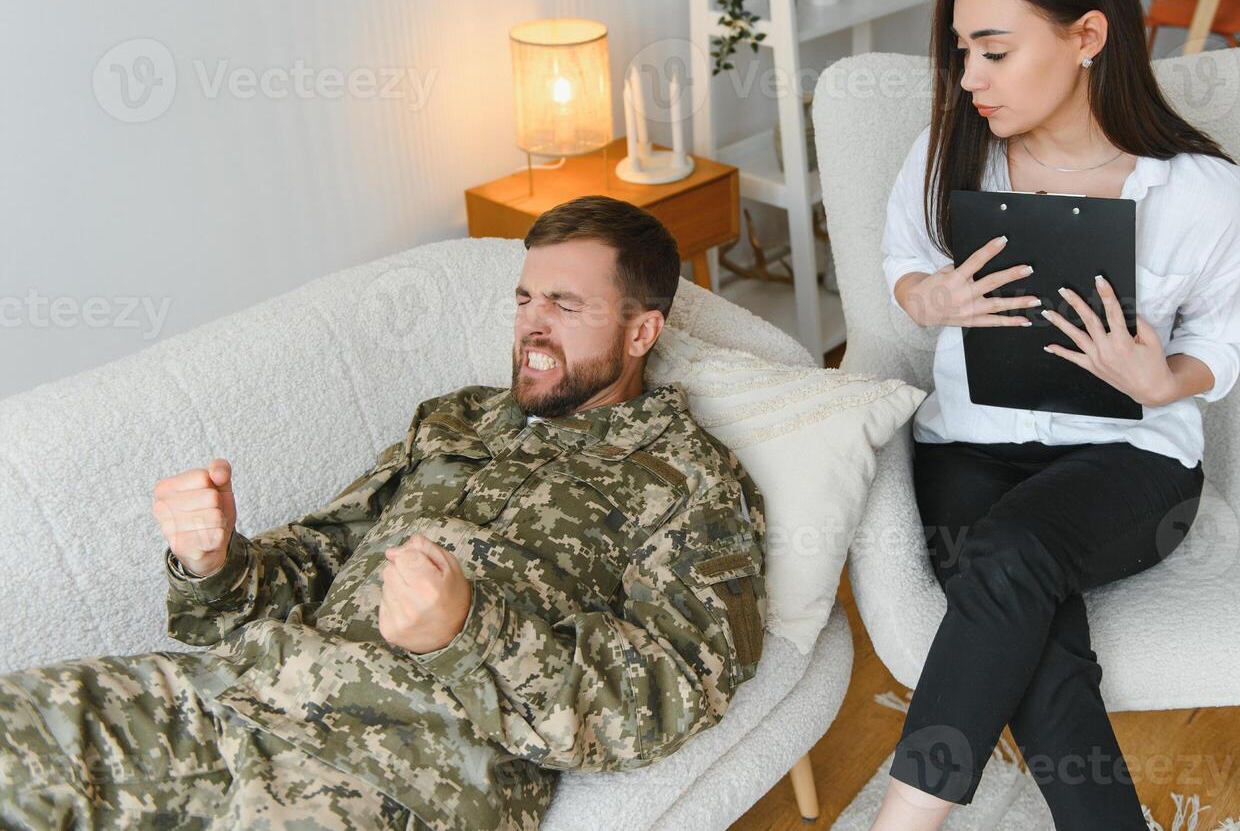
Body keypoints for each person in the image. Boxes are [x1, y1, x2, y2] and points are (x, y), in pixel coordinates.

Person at [0, 195, 768, 830]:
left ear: (642, 331)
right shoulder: (458, 418)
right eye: (525, 299)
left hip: (397, 774)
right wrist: (217, 563)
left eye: (565, 305)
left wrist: (469, 632)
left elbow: (665, 699)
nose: (531, 326)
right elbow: (318, 558)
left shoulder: (690, 482)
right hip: (248, 694)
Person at [871, 0, 1240, 831]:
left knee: (1010, 558)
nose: (969, 77)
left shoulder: (1199, 192)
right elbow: (902, 262)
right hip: (966, 447)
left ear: (1087, 35)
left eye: (994, 51)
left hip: (1131, 463)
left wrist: (1167, 379)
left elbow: (1232, 333)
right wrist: (924, 299)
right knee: (1031, 628)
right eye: (959, 51)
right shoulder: (946, 154)